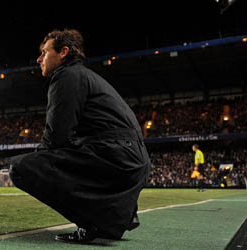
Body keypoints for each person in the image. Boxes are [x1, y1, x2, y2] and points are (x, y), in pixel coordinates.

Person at [8, 29, 151, 243]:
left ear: (63, 52)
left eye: (44, 52)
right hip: (132, 159)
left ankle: (96, 223)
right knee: (71, 151)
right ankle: (123, 213)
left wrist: (36, 164)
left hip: (117, 156)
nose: (39, 59)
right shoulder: (84, 76)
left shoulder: (66, 75)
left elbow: (56, 137)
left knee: (19, 168)